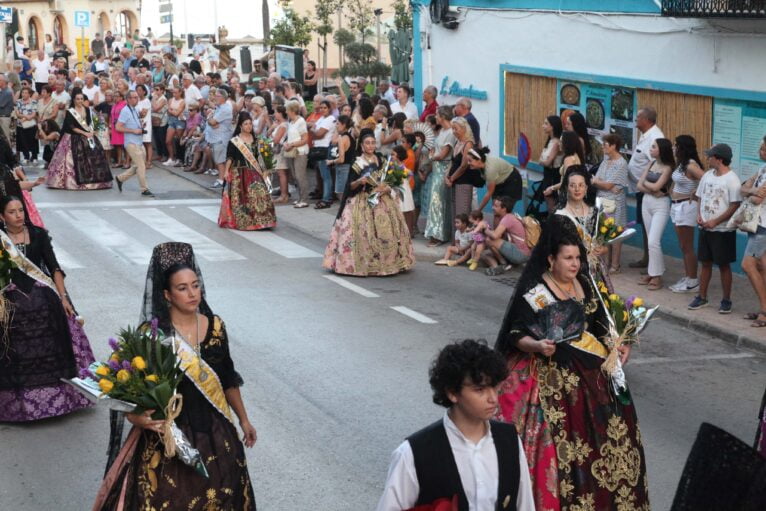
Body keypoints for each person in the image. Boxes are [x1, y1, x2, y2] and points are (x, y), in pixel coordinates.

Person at [495, 217, 649, 510]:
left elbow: (602, 324)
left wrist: (620, 343)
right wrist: (538, 345)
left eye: (578, 257)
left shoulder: (586, 284)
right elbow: (517, 333)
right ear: (551, 259)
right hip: (555, 378)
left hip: (596, 376)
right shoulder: (537, 292)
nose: (575, 264)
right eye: (568, 258)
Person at [93, 243, 257, 510]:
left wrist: (244, 419)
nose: (192, 294)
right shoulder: (152, 334)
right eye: (182, 288)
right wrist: (136, 418)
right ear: (167, 295)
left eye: (195, 285)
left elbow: (227, 376)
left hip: (215, 430)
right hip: (168, 435)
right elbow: (130, 390)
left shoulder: (215, 326)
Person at [376, 339, 535, 511]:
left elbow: (525, 504)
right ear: (452, 393)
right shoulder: (413, 453)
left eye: (494, 387)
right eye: (480, 390)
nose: (493, 398)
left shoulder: (509, 440)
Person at [0, 195, 95, 422]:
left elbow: (54, 268)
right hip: (11, 302)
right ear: (2, 217)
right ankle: (20, 405)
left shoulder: (39, 235)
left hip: (42, 297)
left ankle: (61, 398)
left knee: (54, 340)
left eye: (20, 210)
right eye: (12, 212)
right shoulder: (1, 239)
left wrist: (64, 298)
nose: (18, 215)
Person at [323, 132, 414, 276]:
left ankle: (388, 263)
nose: (370, 145)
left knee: (386, 233)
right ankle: (362, 264)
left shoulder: (382, 159)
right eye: (367, 143)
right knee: (361, 233)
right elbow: (350, 186)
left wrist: (386, 187)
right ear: (362, 145)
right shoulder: (357, 163)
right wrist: (359, 181)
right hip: (362, 200)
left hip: (382, 199)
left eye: (373, 142)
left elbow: (391, 179)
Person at [689, 143, 742, 314]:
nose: (708, 158)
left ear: (719, 159)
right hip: (705, 228)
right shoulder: (707, 176)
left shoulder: (732, 179)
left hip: (723, 230)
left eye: (711, 156)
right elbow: (699, 197)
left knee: (724, 265)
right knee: (705, 263)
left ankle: (726, 300)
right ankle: (701, 296)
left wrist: (716, 221)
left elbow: (734, 206)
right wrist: (699, 215)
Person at [218, 112, 276, 230]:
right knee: (243, 199)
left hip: (254, 172)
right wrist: (226, 172)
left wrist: (266, 169)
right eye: (246, 124)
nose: (249, 126)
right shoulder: (235, 141)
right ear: (240, 126)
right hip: (239, 173)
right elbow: (230, 157)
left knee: (260, 194)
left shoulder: (256, 140)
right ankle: (247, 222)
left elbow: (259, 157)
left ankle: (263, 221)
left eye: (250, 124)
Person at [46, 89, 113, 190]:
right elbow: (72, 127)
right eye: (77, 99)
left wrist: (93, 131)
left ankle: (96, 181)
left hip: (88, 136)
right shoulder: (70, 112)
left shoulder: (87, 109)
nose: (80, 101)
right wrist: (85, 133)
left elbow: (92, 122)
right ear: (74, 100)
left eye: (81, 99)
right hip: (73, 137)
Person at [627, 107, 664, 268]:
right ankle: (646, 258)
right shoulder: (646, 135)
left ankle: (651, 263)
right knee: (644, 225)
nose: (636, 119)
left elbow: (656, 165)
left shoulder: (655, 137)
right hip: (640, 189)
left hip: (648, 191)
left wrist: (647, 185)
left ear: (647, 120)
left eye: (639, 117)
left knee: (649, 230)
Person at [637, 138, 674, 290]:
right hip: (647, 201)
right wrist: (651, 188)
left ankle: (657, 275)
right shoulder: (651, 164)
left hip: (661, 205)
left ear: (661, 150)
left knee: (653, 241)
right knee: (649, 238)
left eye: (654, 147)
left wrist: (648, 185)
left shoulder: (668, 167)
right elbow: (640, 185)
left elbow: (658, 185)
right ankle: (652, 273)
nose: (651, 149)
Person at [669, 135, 705, 294]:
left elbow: (706, 179)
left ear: (682, 147)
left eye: (676, 145)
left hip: (686, 206)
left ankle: (692, 281)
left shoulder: (691, 165)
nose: (673, 148)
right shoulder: (682, 164)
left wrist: (697, 192)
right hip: (677, 206)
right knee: (683, 246)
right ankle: (688, 276)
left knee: (687, 246)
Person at [592, 133, 630, 273]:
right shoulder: (605, 161)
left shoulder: (621, 163)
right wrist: (601, 183)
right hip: (602, 199)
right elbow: (598, 180)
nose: (603, 147)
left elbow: (607, 185)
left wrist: (600, 182)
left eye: (605, 144)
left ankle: (615, 265)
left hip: (614, 202)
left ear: (613, 146)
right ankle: (605, 262)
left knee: (615, 232)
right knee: (602, 231)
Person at [740, 136, 766, 327]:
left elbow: (757, 199)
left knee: (748, 265)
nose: (760, 152)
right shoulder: (762, 170)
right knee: (762, 267)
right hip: (756, 223)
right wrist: (753, 191)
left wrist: (752, 191)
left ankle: (765, 311)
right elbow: (743, 188)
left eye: (764, 149)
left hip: (763, 226)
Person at [424, 106, 456, 246]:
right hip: (437, 169)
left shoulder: (450, 133)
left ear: (442, 117)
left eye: (437, 115)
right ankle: (438, 233)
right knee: (436, 201)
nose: (435, 117)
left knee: (438, 202)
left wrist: (431, 157)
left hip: (443, 169)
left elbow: (443, 155)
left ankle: (438, 234)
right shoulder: (442, 130)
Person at [114, 90, 153, 197]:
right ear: (129, 99)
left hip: (139, 142)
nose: (137, 99)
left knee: (138, 166)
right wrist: (133, 131)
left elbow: (133, 123)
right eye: (135, 97)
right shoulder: (125, 110)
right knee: (141, 166)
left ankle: (120, 178)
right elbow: (118, 127)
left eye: (137, 97)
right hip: (131, 143)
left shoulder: (134, 109)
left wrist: (140, 125)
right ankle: (144, 189)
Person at [481, 196, 530, 275]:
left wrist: (484, 229)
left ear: (504, 209)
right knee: (484, 254)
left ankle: (503, 264)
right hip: (523, 253)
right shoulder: (510, 216)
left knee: (489, 240)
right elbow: (498, 235)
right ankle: (503, 264)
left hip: (521, 254)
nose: (493, 208)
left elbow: (495, 236)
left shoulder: (507, 219)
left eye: (496, 206)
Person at [467, 147, 523, 213]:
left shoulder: (490, 170)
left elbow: (489, 193)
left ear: (479, 160)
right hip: (499, 182)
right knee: (496, 210)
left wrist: (479, 210)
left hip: (512, 182)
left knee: (503, 212)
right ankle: (496, 223)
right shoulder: (482, 164)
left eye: (470, 161)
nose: (468, 163)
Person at [446, 116, 477, 224]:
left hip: (463, 182)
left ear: (464, 129)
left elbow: (464, 166)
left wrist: (452, 178)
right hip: (454, 181)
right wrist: (447, 176)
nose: (454, 132)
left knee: (461, 212)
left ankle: (463, 240)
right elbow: (452, 161)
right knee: (454, 211)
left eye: (456, 129)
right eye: (452, 129)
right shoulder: (457, 142)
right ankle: (456, 239)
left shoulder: (468, 144)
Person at [309, 100, 337, 209]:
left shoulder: (330, 119)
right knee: (323, 175)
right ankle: (326, 196)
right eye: (321, 108)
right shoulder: (321, 118)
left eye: (325, 108)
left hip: (325, 149)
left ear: (329, 108)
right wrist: (313, 130)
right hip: (319, 148)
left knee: (326, 176)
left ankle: (327, 199)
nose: (322, 109)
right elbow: (314, 127)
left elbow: (319, 134)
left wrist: (312, 130)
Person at [283, 100, 310, 208]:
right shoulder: (291, 122)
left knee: (300, 176)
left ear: (292, 110)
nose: (286, 111)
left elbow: (305, 139)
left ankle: (304, 199)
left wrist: (292, 144)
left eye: (287, 110)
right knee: (294, 176)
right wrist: (287, 144)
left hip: (300, 151)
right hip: (292, 151)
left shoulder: (301, 121)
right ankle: (300, 197)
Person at [539, 115, 563, 212]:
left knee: (552, 204)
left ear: (552, 126)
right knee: (548, 202)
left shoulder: (556, 143)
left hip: (553, 175)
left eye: (546, 124)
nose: (543, 126)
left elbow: (548, 162)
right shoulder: (550, 141)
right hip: (547, 174)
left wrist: (542, 161)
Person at [328, 115, 354, 202]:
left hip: (343, 168)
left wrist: (331, 161)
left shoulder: (342, 139)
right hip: (349, 167)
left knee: (341, 194)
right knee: (345, 194)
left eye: (338, 124)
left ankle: (345, 213)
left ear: (343, 125)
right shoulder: (351, 137)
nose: (336, 126)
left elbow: (341, 159)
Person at [14, 86, 38, 164]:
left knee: (33, 141)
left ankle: (34, 157)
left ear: (30, 94)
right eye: (22, 93)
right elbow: (17, 113)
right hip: (21, 125)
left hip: (31, 125)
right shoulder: (18, 101)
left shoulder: (33, 102)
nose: (23, 94)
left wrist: (28, 117)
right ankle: (26, 156)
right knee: (23, 141)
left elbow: (34, 114)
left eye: (25, 93)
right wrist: (25, 117)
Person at [163, 86, 186, 166]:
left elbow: (176, 113)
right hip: (171, 121)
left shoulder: (182, 101)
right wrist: (174, 111)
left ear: (180, 92)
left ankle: (179, 158)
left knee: (178, 141)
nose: (174, 94)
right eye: (173, 92)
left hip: (179, 122)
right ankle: (171, 158)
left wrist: (172, 110)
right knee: (168, 141)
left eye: (176, 92)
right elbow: (170, 112)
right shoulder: (170, 100)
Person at [110, 88, 128, 168]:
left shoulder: (124, 104)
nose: (115, 98)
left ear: (121, 97)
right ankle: (120, 161)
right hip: (115, 127)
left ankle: (127, 162)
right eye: (114, 96)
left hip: (122, 127)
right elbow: (112, 116)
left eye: (117, 96)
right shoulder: (114, 105)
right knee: (118, 145)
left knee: (125, 145)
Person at [151, 83, 169, 162]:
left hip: (162, 121)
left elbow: (155, 108)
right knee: (157, 138)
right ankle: (159, 154)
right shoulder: (155, 98)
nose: (155, 91)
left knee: (162, 138)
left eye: (157, 89)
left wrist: (154, 99)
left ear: (162, 90)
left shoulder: (163, 99)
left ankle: (165, 154)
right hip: (154, 120)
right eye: (155, 89)